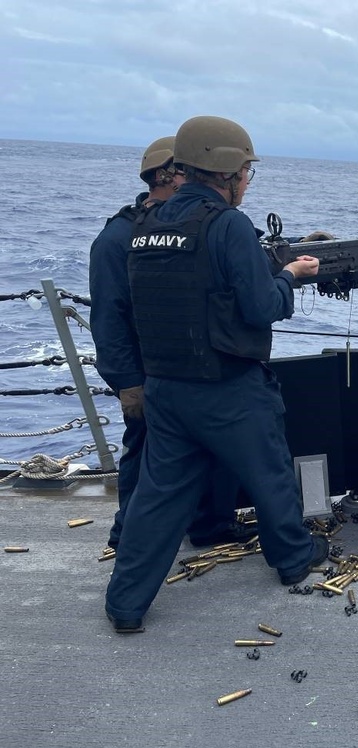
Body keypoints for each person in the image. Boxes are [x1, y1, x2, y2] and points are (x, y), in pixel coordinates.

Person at [104, 116, 328, 633]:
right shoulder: (225, 224)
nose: (248, 181)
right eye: (247, 170)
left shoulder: (144, 227)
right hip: (227, 387)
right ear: (227, 171)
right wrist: (290, 277)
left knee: (158, 498)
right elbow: (260, 306)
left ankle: (125, 604)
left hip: (165, 386)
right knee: (270, 472)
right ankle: (295, 558)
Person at [89, 136, 254, 550]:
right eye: (187, 170)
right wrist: (126, 381)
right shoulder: (117, 240)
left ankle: (208, 526)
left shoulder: (180, 227)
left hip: (187, 368)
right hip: (147, 371)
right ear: (168, 175)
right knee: (142, 453)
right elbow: (108, 318)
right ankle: (127, 536)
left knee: (206, 452)